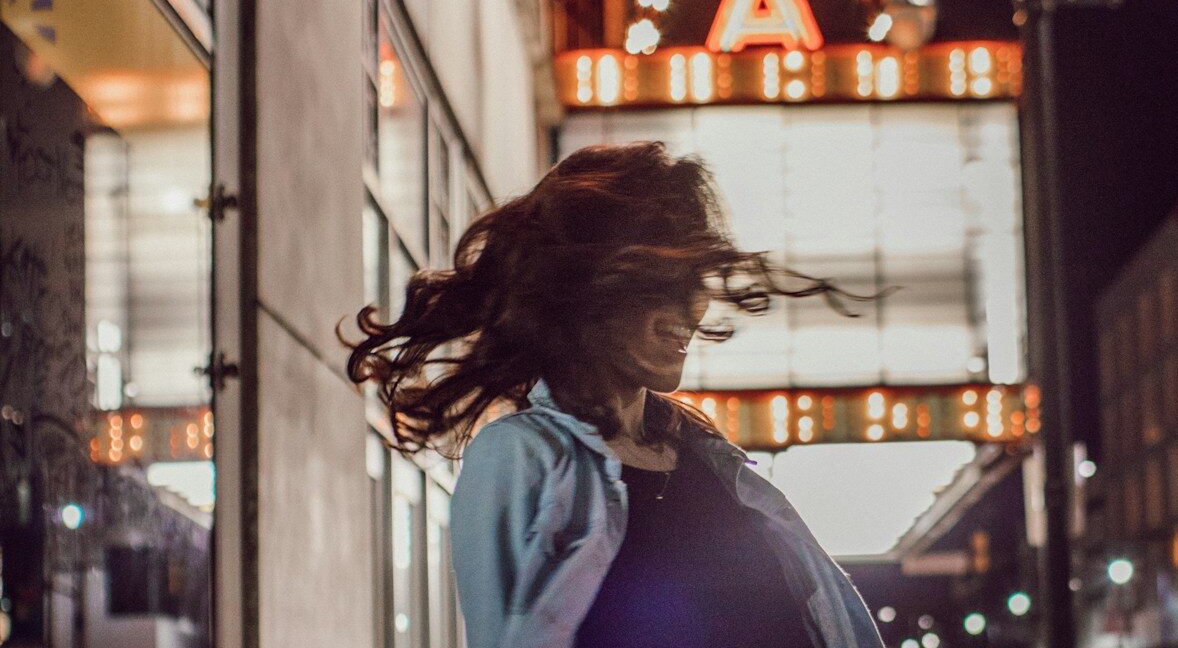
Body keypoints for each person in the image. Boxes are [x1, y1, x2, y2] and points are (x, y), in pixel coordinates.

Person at [343, 141, 884, 648]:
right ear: (589, 287)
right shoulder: (519, 457)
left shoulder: (708, 455)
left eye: (695, 280)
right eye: (663, 282)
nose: (692, 309)